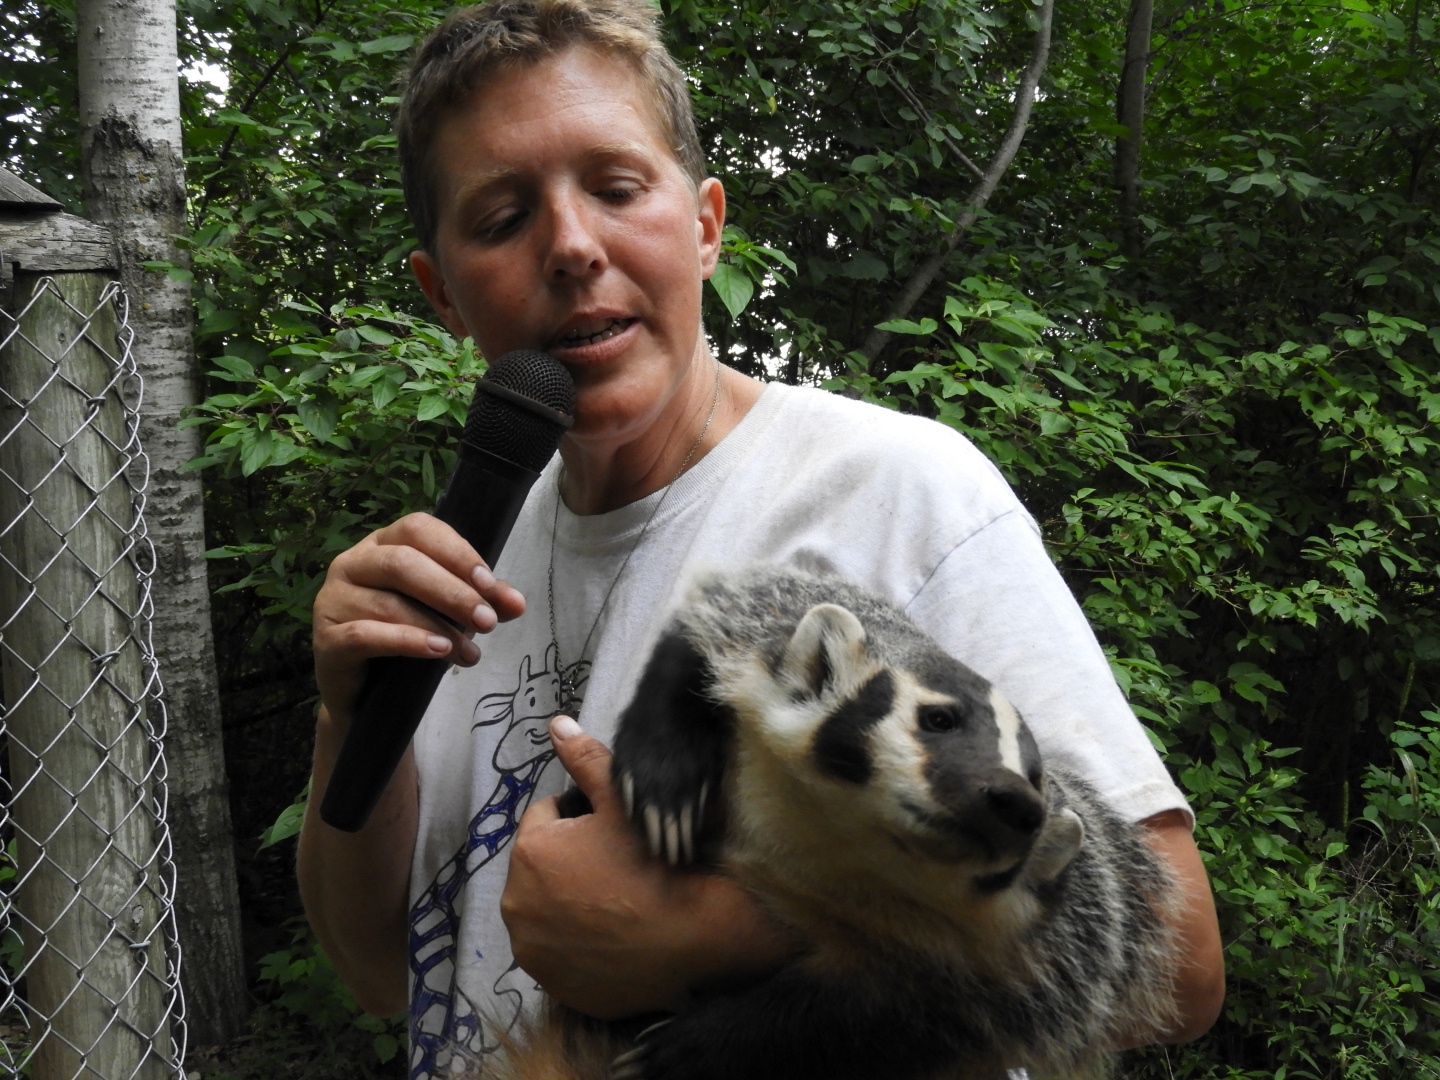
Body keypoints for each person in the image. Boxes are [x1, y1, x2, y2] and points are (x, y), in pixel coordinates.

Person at [298, 2, 1226, 1078]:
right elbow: (388, 976)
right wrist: (344, 716)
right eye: (502, 218)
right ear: (441, 293)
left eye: (615, 187)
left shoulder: (891, 493)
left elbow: (1180, 967)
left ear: (703, 224)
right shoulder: (461, 563)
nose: (571, 246)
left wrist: (716, 939)